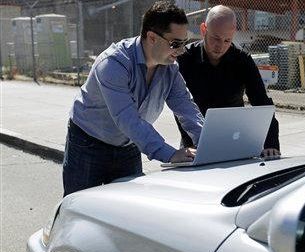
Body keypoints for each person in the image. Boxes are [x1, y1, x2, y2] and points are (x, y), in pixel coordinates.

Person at [63, 1, 204, 196]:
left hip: (129, 144)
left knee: (128, 211)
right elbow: (127, 119)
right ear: (152, 37)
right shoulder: (113, 64)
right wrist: (170, 154)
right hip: (89, 144)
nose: (181, 51)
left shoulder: (170, 68)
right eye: (175, 44)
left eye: (184, 43)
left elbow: (187, 108)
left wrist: (209, 144)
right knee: (79, 208)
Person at [176, 5, 280, 158]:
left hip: (234, 138)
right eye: (216, 38)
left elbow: (261, 101)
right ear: (204, 30)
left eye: (227, 40)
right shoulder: (185, 59)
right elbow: (178, 104)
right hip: (193, 141)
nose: (220, 46)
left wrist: (270, 144)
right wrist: (190, 143)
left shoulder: (242, 60)